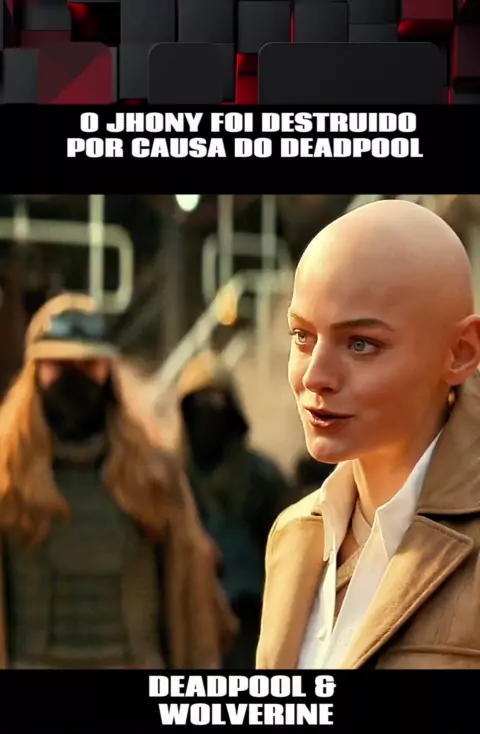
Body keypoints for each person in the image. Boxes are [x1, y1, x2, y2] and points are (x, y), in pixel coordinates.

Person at [256, 199, 480, 670]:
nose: (315, 376)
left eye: (361, 344)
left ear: (461, 352)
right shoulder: (295, 535)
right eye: (302, 336)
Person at [0, 293, 237, 669]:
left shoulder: (154, 474)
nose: (74, 377)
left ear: (108, 371)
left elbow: (192, 598)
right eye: (58, 365)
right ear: (35, 373)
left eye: (88, 364)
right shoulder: (6, 474)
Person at [177, 351, 291, 668]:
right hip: (187, 623)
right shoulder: (169, 482)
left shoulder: (261, 477)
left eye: (216, 401)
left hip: (251, 625)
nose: (208, 412)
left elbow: (290, 552)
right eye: (199, 402)